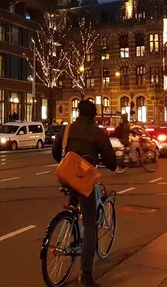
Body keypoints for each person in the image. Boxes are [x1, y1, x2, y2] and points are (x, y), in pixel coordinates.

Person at [52, 100, 117, 287]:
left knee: (74, 197)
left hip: (65, 177)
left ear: (78, 112)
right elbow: (111, 161)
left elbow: (56, 153)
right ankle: (86, 275)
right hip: (84, 181)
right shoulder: (98, 133)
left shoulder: (66, 129)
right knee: (90, 226)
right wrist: (112, 164)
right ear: (94, 115)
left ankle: (70, 217)